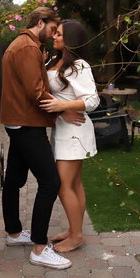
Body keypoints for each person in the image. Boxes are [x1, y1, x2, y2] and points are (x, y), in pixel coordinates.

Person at [0, 7, 85, 269]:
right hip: (26, 123)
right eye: (51, 28)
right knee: (50, 182)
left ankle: (14, 233)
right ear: (40, 22)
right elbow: (36, 92)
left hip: (17, 121)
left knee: (14, 179)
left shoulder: (24, 44)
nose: (53, 33)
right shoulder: (27, 47)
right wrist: (65, 110)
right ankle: (39, 248)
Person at [40, 20, 99, 252]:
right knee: (74, 183)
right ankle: (75, 230)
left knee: (64, 185)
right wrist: (63, 109)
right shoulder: (56, 60)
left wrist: (62, 107)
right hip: (64, 128)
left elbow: (92, 100)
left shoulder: (80, 65)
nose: (54, 36)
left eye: (60, 34)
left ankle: (76, 236)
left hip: (75, 131)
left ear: (71, 39)